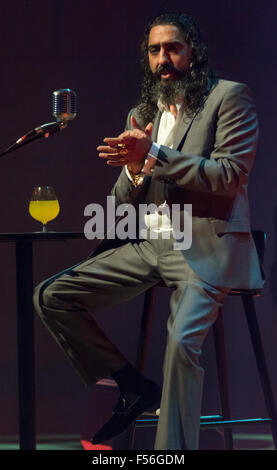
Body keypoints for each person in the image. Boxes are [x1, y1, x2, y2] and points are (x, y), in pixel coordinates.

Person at [33, 12, 264, 450]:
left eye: (173, 47)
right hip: (151, 245)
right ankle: (133, 387)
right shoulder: (143, 114)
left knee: (179, 344)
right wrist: (137, 168)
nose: (164, 59)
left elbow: (230, 175)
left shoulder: (229, 98)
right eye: (155, 51)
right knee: (51, 296)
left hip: (207, 246)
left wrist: (154, 152)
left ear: (193, 52)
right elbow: (123, 201)